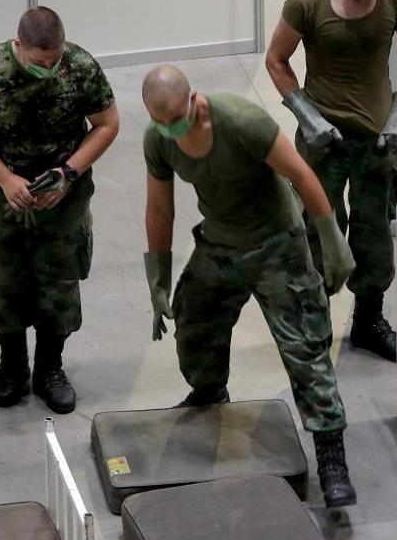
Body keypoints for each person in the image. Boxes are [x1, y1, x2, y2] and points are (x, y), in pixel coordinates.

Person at [140, 65, 360, 507]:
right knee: (195, 321)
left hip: (278, 242)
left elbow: (302, 175)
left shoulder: (240, 122)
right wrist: (158, 274)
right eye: (160, 123)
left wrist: (332, 242)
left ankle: (331, 457)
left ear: (194, 100)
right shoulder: (159, 139)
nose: (170, 130)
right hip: (221, 240)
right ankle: (208, 391)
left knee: (304, 347)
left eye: (175, 119)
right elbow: (160, 207)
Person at [265, 0, 397, 362]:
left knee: (374, 234)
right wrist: (309, 117)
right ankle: (312, 323)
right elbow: (276, 60)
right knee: (317, 233)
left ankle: (368, 321)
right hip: (325, 145)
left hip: (377, 143)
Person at [0, 6, 119, 415]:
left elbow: (107, 123)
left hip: (61, 197)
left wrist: (68, 173)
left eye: (54, 59)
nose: (48, 67)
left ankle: (50, 368)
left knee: (58, 279)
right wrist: (5, 178)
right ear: (19, 46)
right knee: (4, 278)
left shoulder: (81, 67)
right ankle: (12, 366)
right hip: (2, 196)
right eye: (39, 61)